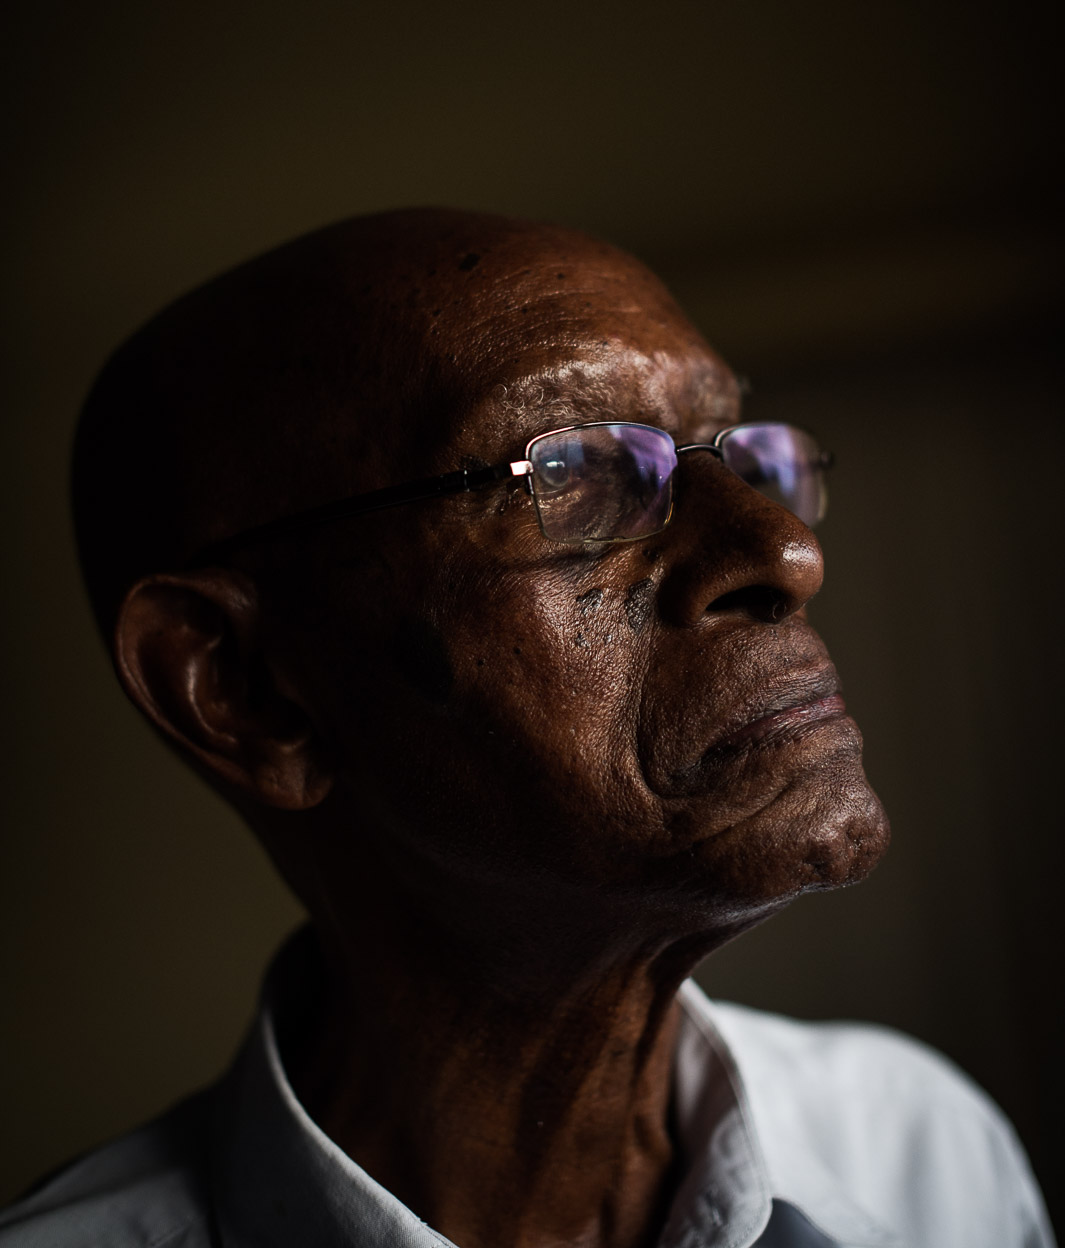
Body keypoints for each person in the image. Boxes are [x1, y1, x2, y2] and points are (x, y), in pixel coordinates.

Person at [1, 209, 1053, 1248]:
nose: (785, 552)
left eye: (750, 458)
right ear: (246, 688)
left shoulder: (923, 1151)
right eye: (577, 472)